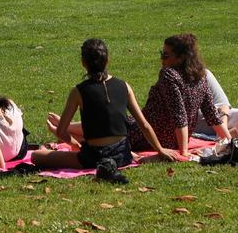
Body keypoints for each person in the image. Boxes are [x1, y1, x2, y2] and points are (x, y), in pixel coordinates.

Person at [48, 34, 231, 158]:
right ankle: (69, 127)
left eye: (166, 55)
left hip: (153, 135)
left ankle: (72, 132)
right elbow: (211, 113)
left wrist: (182, 151)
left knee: (119, 123)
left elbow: (179, 116)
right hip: (170, 135)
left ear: (181, 58)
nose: (162, 58)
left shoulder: (169, 75)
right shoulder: (200, 76)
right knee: (124, 119)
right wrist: (229, 139)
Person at [33, 39, 185, 172]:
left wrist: (75, 145)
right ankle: (138, 157)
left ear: (83, 63)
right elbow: (144, 124)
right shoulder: (124, 86)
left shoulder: (78, 91)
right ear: (107, 60)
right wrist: (160, 150)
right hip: (122, 155)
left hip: (93, 157)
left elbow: (61, 131)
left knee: (36, 155)